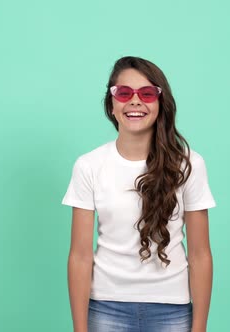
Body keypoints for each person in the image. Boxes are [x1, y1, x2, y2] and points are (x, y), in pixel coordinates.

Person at [62, 56, 216, 332]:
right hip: (105, 307)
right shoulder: (89, 166)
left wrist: (200, 327)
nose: (134, 101)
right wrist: (80, 328)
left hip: (172, 308)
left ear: (161, 103)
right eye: (124, 93)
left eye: (146, 93)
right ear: (111, 104)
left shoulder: (189, 164)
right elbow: (80, 256)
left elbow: (200, 254)